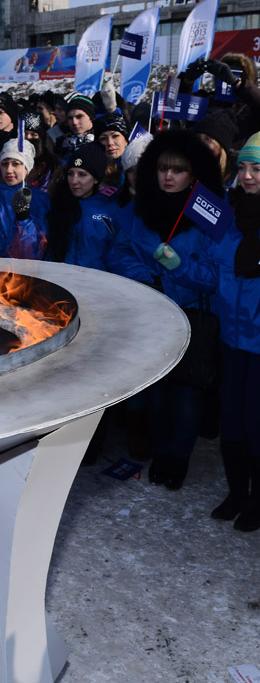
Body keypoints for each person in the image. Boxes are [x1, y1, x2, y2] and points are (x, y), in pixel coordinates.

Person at [153, 132, 260, 529]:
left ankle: (256, 501)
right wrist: (177, 264)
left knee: (255, 424)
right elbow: (213, 278)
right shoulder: (229, 219)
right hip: (230, 337)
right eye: (244, 168)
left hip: (259, 343)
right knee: (232, 420)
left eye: (258, 169)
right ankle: (236, 493)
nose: (248, 177)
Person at [108, 130, 223, 490]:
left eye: (178, 169)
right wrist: (147, 276)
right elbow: (118, 252)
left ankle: (179, 458)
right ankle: (161, 452)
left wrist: (180, 268)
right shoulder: (138, 210)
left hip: (191, 315)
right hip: (152, 313)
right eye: (162, 168)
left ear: (193, 174)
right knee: (157, 394)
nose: (168, 176)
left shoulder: (208, 216)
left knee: (187, 396)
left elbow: (216, 277)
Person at [0, 139, 48, 259]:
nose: (9, 170)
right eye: (5, 164)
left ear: (28, 167)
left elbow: (33, 253)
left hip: (28, 274)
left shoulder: (40, 200)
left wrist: (24, 221)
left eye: (16, 164)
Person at [46, 142, 116, 270]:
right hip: (61, 281)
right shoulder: (58, 204)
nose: (74, 181)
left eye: (82, 174)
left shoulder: (110, 209)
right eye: (71, 173)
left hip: (98, 284)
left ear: (96, 179)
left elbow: (116, 253)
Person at [57, 94, 95, 158]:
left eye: (79, 117)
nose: (74, 122)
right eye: (70, 118)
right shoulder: (61, 143)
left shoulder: (103, 139)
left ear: (90, 117)